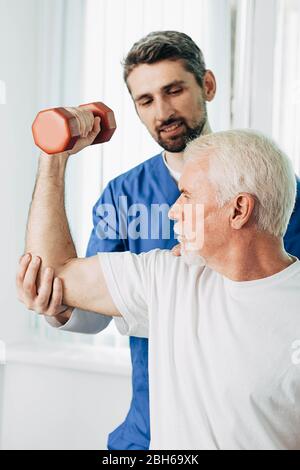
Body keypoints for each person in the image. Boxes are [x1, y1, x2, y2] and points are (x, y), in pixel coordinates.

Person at [17, 30, 300, 450]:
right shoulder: (126, 200)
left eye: (173, 90)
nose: (163, 111)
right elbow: (77, 298)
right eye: (146, 101)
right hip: (152, 428)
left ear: (207, 84)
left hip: (256, 417)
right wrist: (57, 306)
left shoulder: (272, 186)